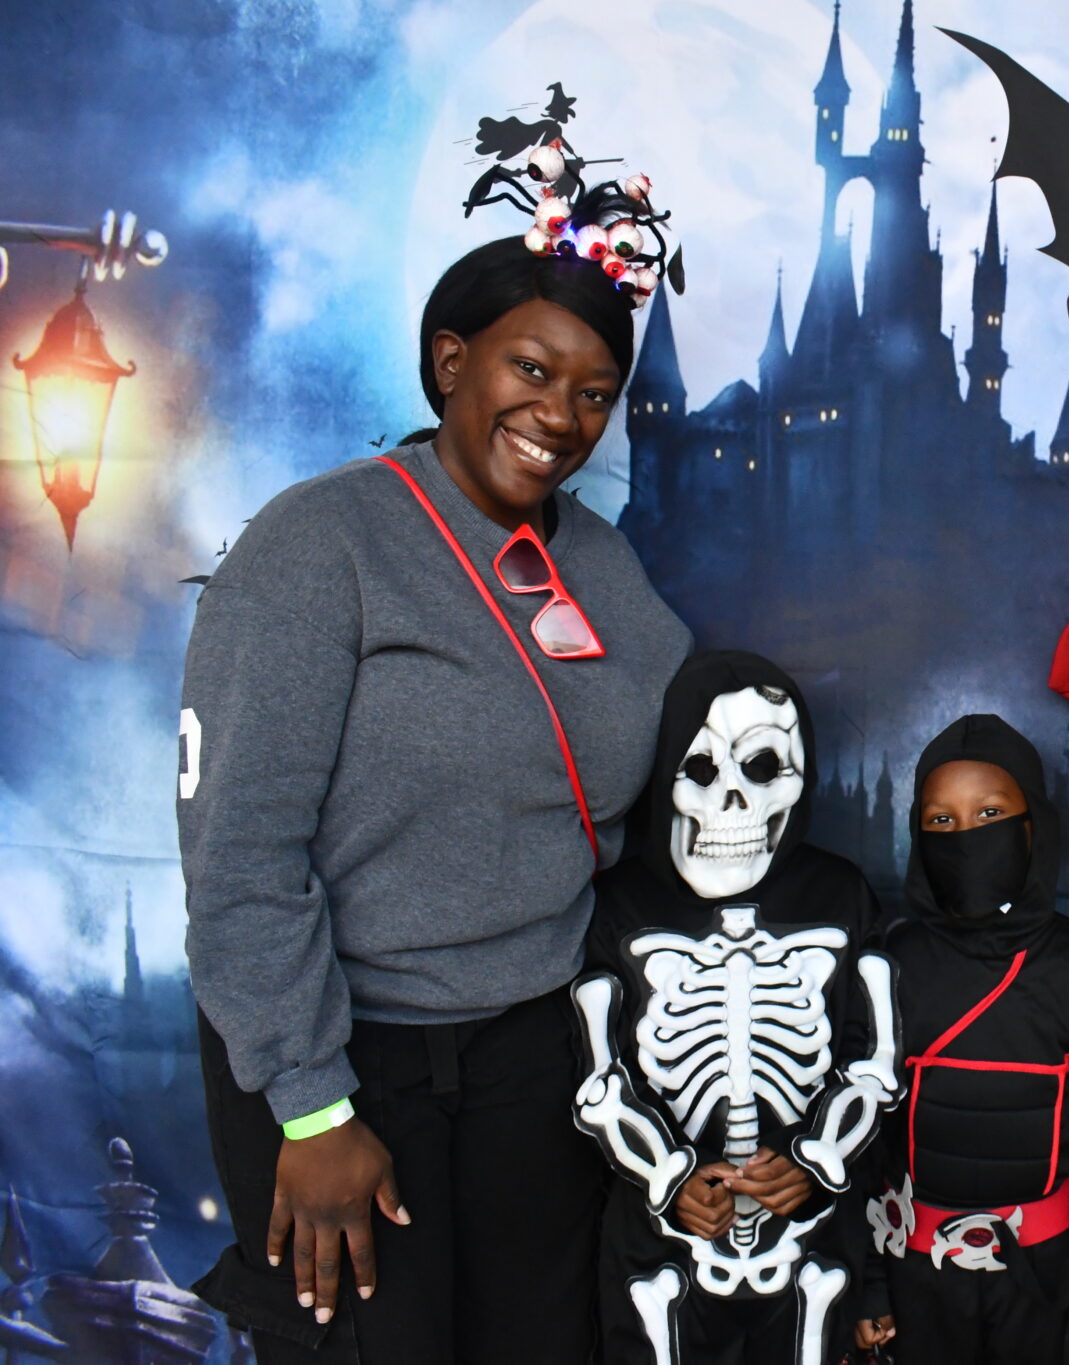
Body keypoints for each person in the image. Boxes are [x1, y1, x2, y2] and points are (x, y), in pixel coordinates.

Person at [178, 229, 693, 1363]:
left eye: (594, 394)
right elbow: (240, 855)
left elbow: (675, 755)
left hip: (535, 1051)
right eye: (531, 370)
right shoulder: (323, 541)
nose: (560, 416)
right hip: (347, 1054)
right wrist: (312, 1107)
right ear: (452, 361)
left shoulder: (602, 565)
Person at [571, 650, 899, 1365]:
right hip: (660, 1251)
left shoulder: (838, 895)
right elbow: (596, 1075)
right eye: (699, 770)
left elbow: (872, 1059)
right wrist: (667, 1176)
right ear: (666, 773)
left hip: (811, 1244)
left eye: (762, 768)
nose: (732, 800)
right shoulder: (621, 904)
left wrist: (818, 1158)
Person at [854, 714, 1069, 1364]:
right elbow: (865, 1145)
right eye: (941, 820)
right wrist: (868, 1283)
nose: (965, 834)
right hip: (916, 1282)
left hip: (1044, 1286)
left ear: (1034, 826)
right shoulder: (891, 966)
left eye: (990, 813)